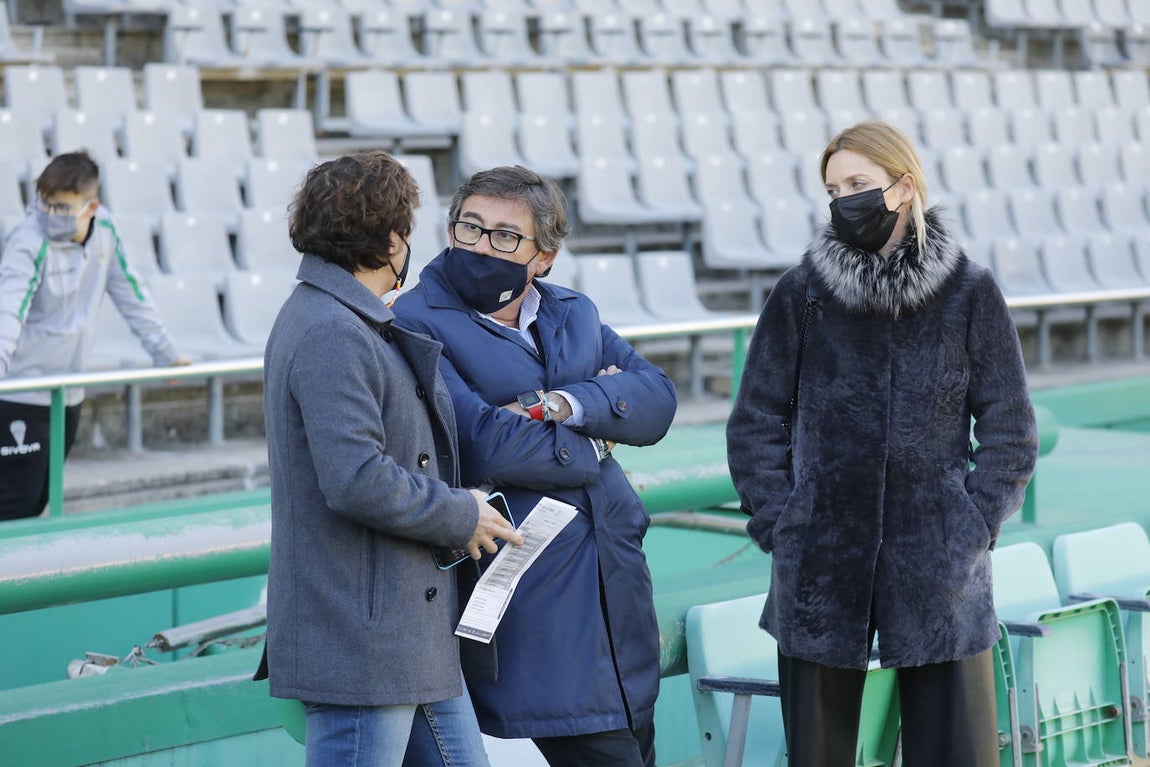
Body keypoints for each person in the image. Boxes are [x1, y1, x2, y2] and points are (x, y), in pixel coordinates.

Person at [726, 121, 1039, 766]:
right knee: (818, 755)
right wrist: (783, 524)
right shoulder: (800, 292)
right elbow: (755, 421)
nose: (845, 199)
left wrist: (972, 524)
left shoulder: (970, 291)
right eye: (834, 188)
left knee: (959, 753)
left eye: (859, 184)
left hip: (941, 562)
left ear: (902, 187)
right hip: (818, 559)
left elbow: (1010, 426)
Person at [392, 165, 677, 767]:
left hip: (615, 586)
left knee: (636, 741)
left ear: (543, 257)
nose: (481, 245)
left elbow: (656, 399)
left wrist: (561, 405)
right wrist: (598, 441)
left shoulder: (573, 312)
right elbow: (483, 442)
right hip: (531, 591)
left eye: (504, 236)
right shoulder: (415, 321)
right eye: (470, 227)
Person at [257, 151, 523, 767]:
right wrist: (462, 515)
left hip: (406, 635)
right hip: (361, 638)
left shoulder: (345, 318)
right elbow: (356, 478)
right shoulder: (329, 328)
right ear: (390, 236)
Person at [0, 150, 190, 521]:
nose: (50, 214)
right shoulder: (27, 240)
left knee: (39, 500)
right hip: (21, 393)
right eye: (45, 203)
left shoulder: (106, 232)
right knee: (15, 506)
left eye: (62, 207)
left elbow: (132, 295)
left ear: (91, 206)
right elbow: (9, 309)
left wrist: (165, 353)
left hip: (70, 393)